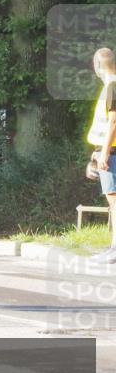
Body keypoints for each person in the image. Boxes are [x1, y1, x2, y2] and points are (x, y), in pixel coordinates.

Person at [88, 47, 116, 264]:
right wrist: (95, 155)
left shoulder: (112, 87)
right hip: (108, 152)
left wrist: (104, 154)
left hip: (112, 153)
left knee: (114, 202)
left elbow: (114, 122)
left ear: (97, 66)